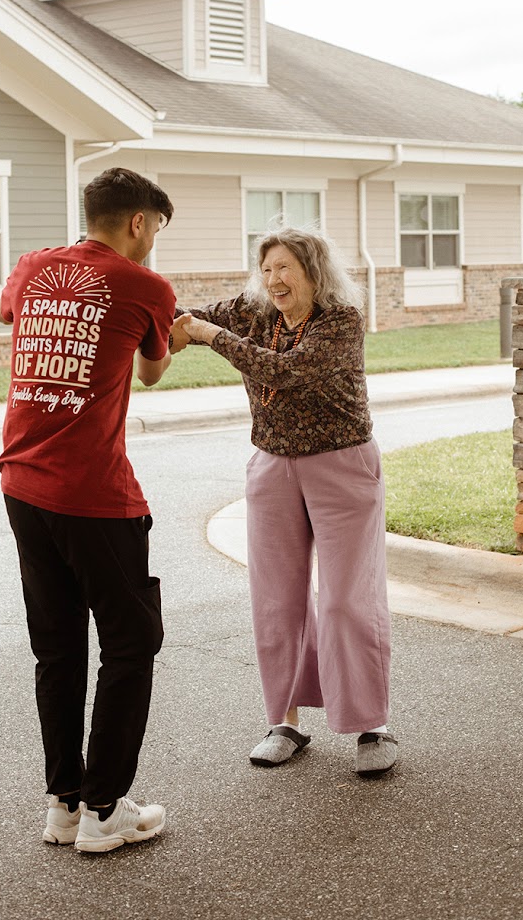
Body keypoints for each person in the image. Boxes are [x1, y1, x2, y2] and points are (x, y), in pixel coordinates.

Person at [0, 167, 176, 854]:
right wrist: (176, 334)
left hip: (22, 484)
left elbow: (9, 316)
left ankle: (65, 804)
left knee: (58, 646)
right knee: (132, 642)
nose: (153, 242)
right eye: (156, 229)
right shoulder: (147, 287)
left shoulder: (33, 266)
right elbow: (150, 371)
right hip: (95, 495)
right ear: (138, 222)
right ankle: (105, 811)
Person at [176, 228, 396, 775]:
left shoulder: (340, 320)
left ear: (313, 273)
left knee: (347, 601)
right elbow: (181, 314)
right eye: (267, 269)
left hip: (342, 465)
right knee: (277, 601)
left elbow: (285, 371)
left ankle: (371, 726)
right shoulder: (253, 313)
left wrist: (208, 335)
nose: (273, 280)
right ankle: (286, 723)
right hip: (273, 466)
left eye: (285, 269)